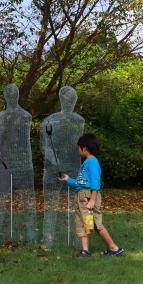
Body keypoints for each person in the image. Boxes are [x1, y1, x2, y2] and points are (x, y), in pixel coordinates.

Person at [59, 134, 123, 257]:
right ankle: (85, 251)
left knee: (93, 223)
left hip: (88, 196)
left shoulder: (92, 162)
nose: (78, 150)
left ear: (85, 147)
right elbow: (83, 182)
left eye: (79, 147)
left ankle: (113, 248)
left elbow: (94, 181)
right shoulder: (86, 163)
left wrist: (92, 199)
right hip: (81, 196)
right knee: (83, 222)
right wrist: (69, 180)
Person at [0, 84, 38, 244]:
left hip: (23, 165)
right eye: (8, 93)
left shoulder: (25, 116)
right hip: (4, 164)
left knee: (27, 201)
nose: (11, 96)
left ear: (17, 95)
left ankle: (31, 236)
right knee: (0, 201)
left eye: (14, 93)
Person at [40, 86, 85, 249]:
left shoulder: (79, 120)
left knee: (78, 207)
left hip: (74, 169)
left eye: (74, 99)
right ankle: (48, 240)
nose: (71, 102)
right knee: (50, 206)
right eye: (69, 99)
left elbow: (80, 145)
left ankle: (78, 240)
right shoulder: (50, 120)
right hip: (53, 170)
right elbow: (44, 144)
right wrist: (54, 159)